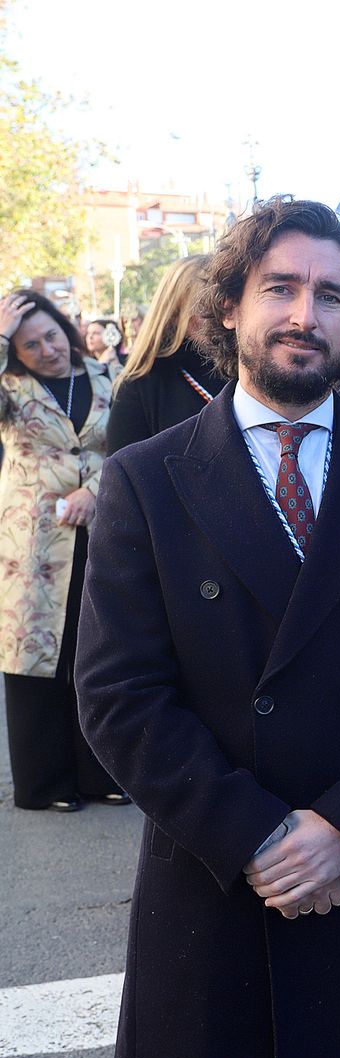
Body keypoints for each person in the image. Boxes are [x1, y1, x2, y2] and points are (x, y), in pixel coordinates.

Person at [75, 197, 340, 1058]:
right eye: (280, 288)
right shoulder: (147, 480)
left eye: (330, 296)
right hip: (217, 885)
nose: (305, 315)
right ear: (229, 306)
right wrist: (259, 837)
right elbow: (119, 695)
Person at [0, 292, 123, 812]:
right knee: (37, 659)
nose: (46, 350)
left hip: (103, 528)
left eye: (51, 336)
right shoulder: (9, 388)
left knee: (95, 652)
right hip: (31, 543)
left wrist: (94, 488)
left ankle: (102, 773)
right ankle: (46, 782)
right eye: (29, 345)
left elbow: (125, 443)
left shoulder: (104, 376)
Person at [106, 254, 228, 455]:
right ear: (175, 313)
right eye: (208, 308)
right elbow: (122, 475)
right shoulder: (141, 383)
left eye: (226, 304)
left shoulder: (251, 368)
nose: (222, 317)